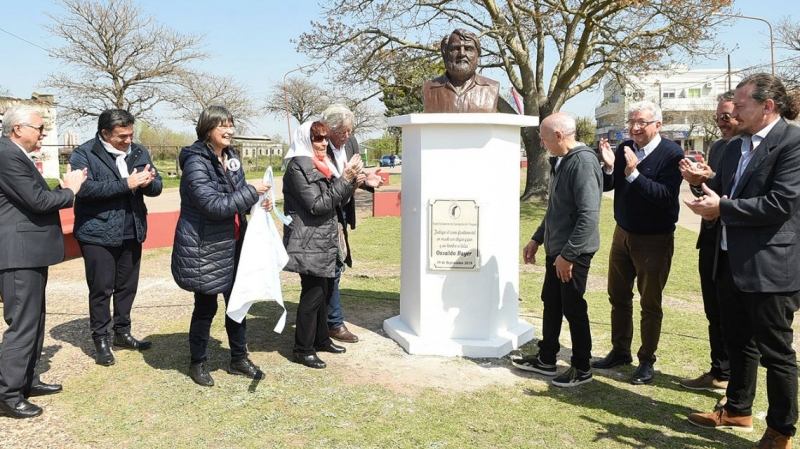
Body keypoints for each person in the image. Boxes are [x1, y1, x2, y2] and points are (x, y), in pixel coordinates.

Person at [685, 73, 800, 449]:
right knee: (738, 343)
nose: (733, 109)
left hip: (770, 268)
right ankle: (737, 410)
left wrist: (722, 207)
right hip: (728, 260)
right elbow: (730, 195)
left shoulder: (792, 142)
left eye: (742, 103)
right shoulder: (736, 145)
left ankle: (781, 431)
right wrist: (704, 188)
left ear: (768, 106)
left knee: (777, 354)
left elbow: (781, 203)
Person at [171, 105, 271, 387]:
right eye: (222, 126)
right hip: (206, 247)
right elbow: (213, 205)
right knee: (205, 307)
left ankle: (239, 358)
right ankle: (198, 362)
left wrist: (258, 202)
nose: (229, 130)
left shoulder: (231, 156)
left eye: (231, 125)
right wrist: (251, 191)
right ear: (207, 129)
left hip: (236, 242)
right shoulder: (195, 161)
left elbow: (236, 199)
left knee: (238, 304)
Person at [0, 104, 86, 418]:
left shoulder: (15, 154)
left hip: (29, 252)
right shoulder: (6, 155)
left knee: (34, 320)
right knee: (23, 324)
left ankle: (27, 380)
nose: (44, 133)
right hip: (18, 253)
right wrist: (69, 190)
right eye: (39, 127)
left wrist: (60, 189)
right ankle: (8, 395)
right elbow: (37, 201)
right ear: (17, 129)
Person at [592, 100, 684, 385]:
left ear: (658, 125)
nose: (634, 128)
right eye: (631, 122)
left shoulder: (672, 154)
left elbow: (665, 197)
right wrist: (610, 168)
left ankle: (647, 361)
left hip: (654, 239)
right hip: (623, 233)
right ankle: (621, 351)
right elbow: (611, 186)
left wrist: (634, 173)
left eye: (641, 122)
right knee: (618, 296)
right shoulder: (624, 149)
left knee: (650, 303)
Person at [510, 113, 602, 387]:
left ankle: (582, 368)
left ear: (559, 136)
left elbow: (588, 215)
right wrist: (537, 238)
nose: (540, 141)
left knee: (573, 308)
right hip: (557, 250)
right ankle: (546, 358)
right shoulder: (562, 161)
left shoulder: (583, 162)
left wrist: (569, 255)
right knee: (551, 302)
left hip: (573, 253)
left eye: (544, 136)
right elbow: (555, 210)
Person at [70, 109, 162, 366]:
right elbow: (84, 189)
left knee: (127, 287)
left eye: (131, 134)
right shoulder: (84, 153)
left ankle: (122, 332)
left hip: (132, 230)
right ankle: (100, 340)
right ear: (105, 134)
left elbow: (157, 187)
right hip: (96, 234)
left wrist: (148, 183)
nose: (128, 140)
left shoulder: (139, 151)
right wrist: (127, 184)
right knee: (101, 289)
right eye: (122, 136)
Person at [282, 120, 362, 369]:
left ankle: (321, 339)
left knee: (325, 291)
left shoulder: (323, 164)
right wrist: (344, 180)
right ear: (306, 139)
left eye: (325, 138)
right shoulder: (297, 166)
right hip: (309, 239)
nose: (323, 143)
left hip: (324, 238)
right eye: (317, 138)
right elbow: (317, 205)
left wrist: (351, 184)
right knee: (312, 294)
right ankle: (302, 349)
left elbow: (335, 200)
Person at [676, 92, 740, 403]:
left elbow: (740, 194)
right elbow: (712, 190)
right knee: (713, 311)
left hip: (740, 245)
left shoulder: (755, 148)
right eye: (718, 118)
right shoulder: (719, 146)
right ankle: (720, 372)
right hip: (712, 239)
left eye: (727, 116)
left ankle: (737, 388)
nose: (722, 123)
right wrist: (695, 180)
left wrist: (711, 181)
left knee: (737, 320)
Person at [320, 104, 383, 344]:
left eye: (349, 131)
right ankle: (334, 322)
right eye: (342, 132)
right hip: (325, 212)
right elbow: (325, 184)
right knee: (333, 266)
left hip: (343, 211)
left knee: (338, 265)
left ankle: (327, 317)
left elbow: (356, 175)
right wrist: (350, 182)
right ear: (328, 129)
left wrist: (367, 181)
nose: (346, 136)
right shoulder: (318, 145)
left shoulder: (352, 142)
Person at [422, 28, 499, 113]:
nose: (462, 53)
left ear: (478, 56)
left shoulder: (491, 88)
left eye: (468, 49)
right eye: (456, 48)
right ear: (445, 54)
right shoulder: (429, 88)